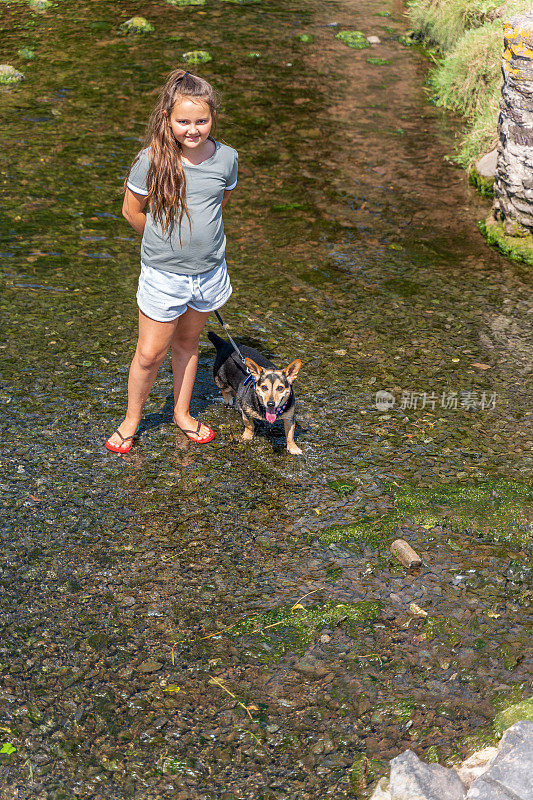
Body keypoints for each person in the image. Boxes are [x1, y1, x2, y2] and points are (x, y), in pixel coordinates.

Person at [105, 68, 238, 453]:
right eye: (183, 121)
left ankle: (181, 413)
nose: (193, 129)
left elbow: (219, 203)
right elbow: (132, 212)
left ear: (212, 118)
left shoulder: (227, 158)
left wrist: (199, 242)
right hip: (164, 274)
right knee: (149, 354)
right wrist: (166, 243)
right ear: (168, 119)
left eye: (201, 120)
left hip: (209, 271)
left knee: (188, 343)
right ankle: (132, 420)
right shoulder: (151, 160)